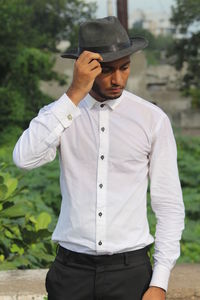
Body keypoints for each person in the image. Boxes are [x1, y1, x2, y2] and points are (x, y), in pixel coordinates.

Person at [13, 16, 185, 300]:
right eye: (106, 70)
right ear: (84, 67)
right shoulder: (60, 115)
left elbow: (168, 206)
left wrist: (160, 282)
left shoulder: (152, 120)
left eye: (124, 68)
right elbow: (24, 159)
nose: (118, 79)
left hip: (130, 273)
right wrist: (74, 94)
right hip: (70, 272)